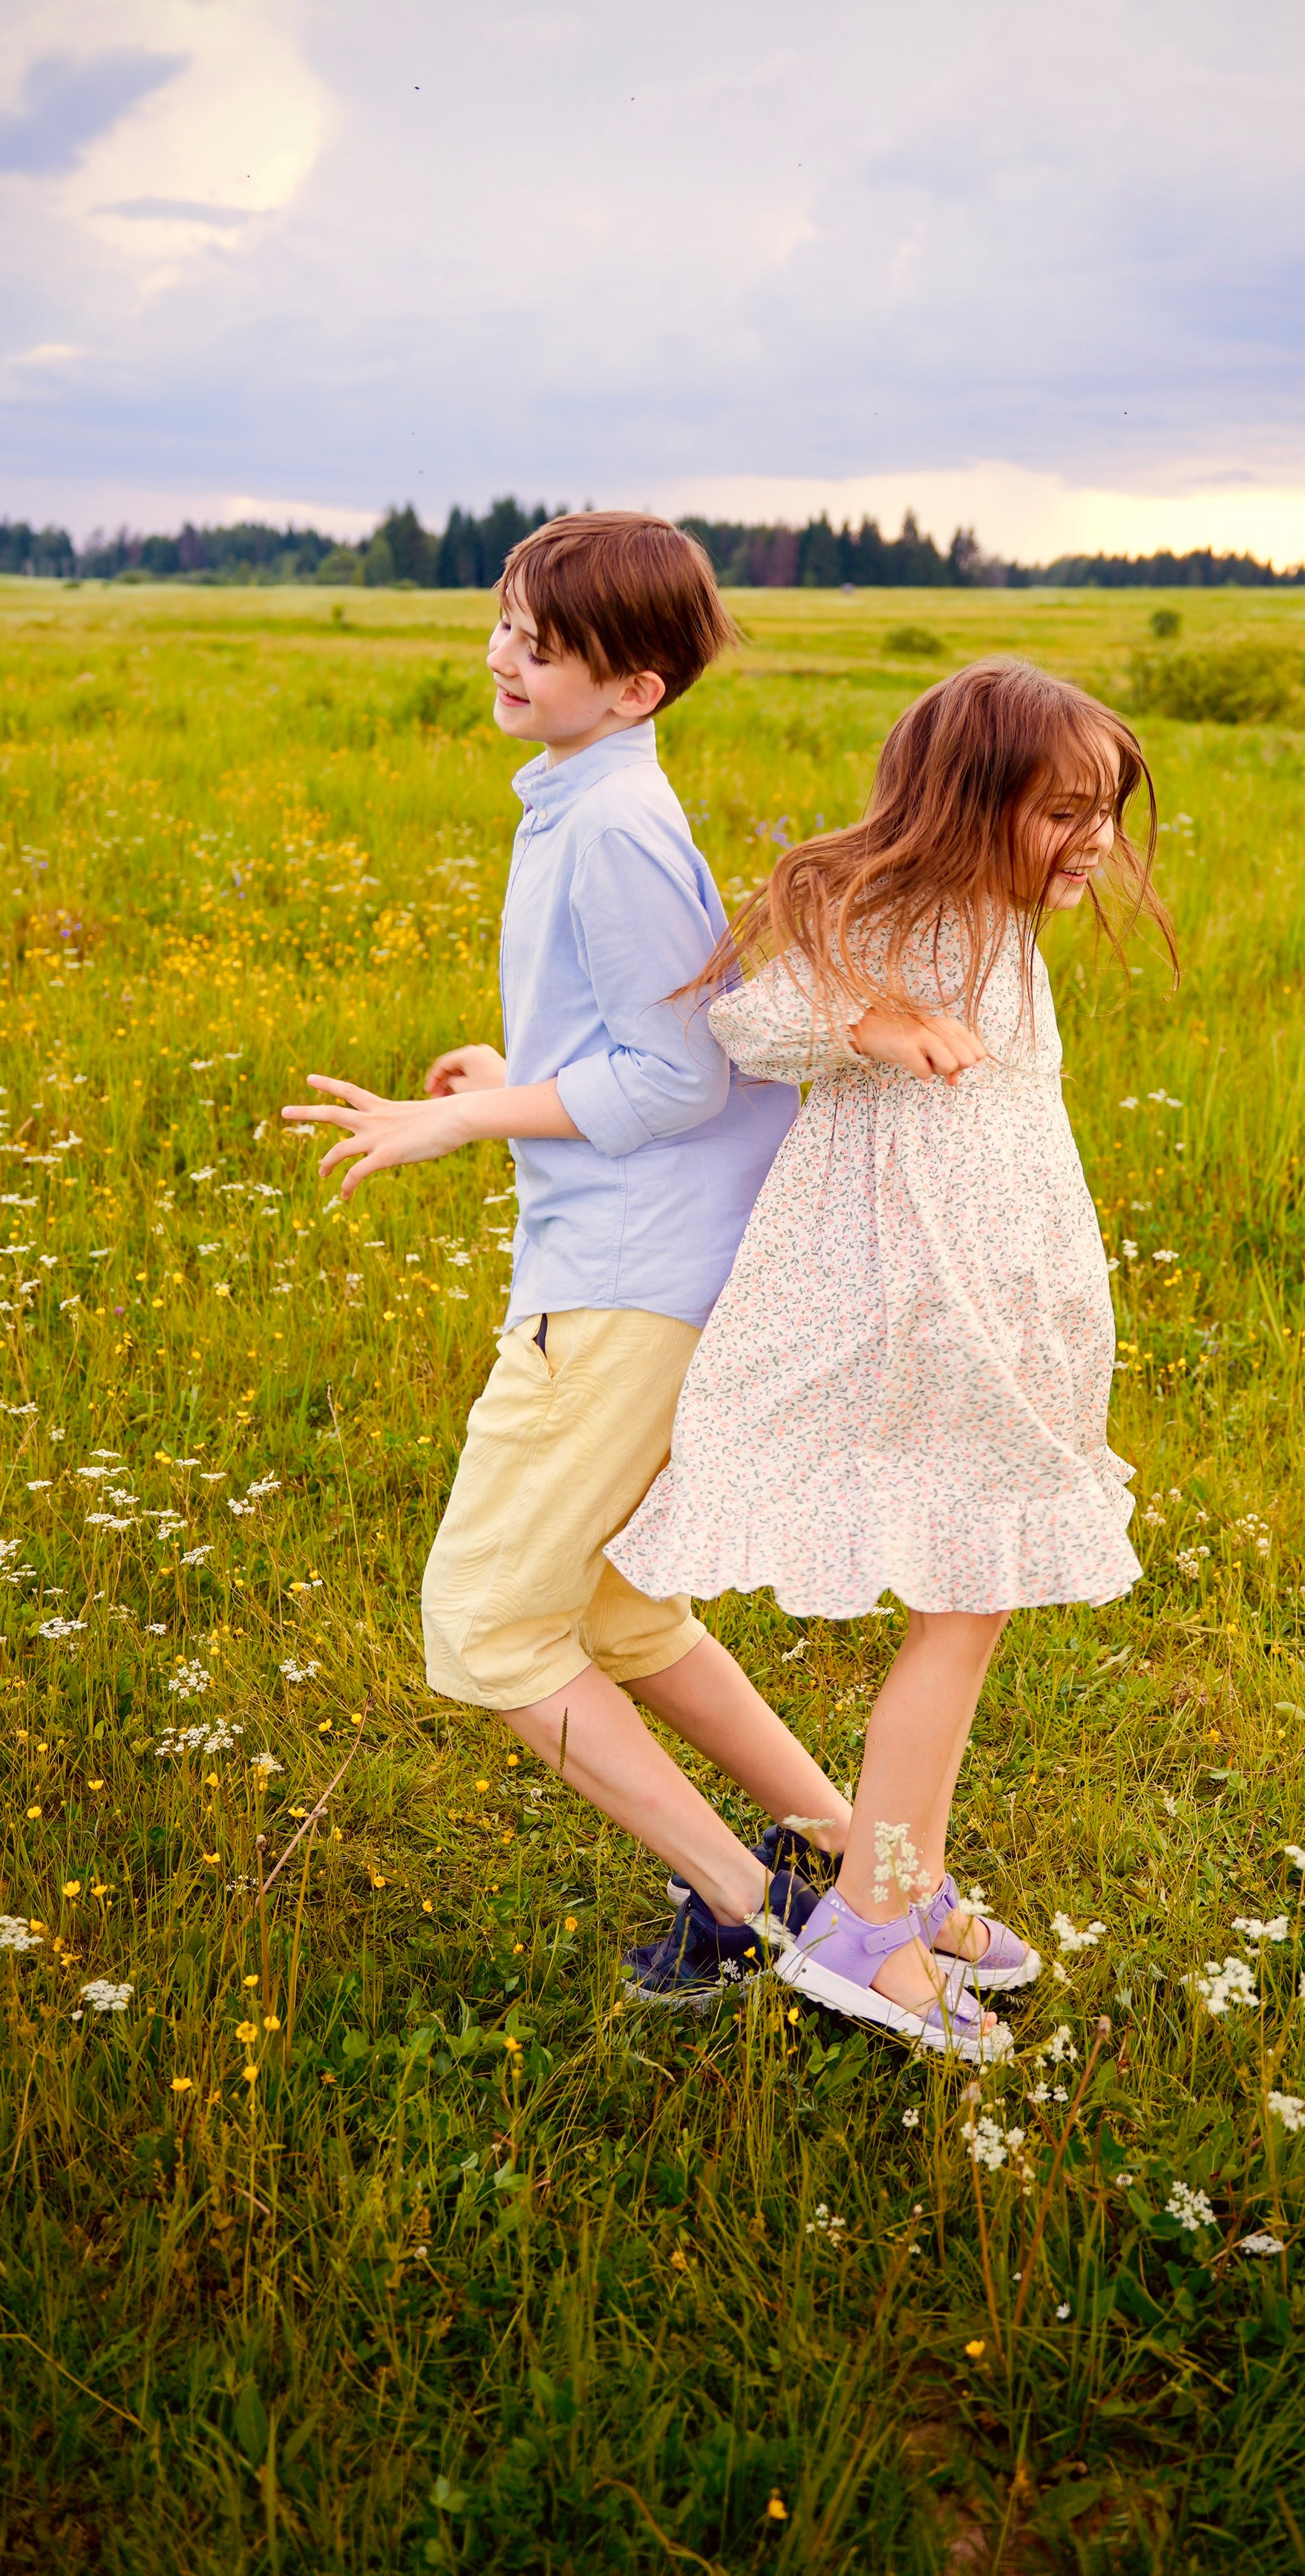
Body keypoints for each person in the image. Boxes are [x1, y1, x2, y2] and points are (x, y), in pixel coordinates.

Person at [281, 510, 853, 1995]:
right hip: (640, 1263)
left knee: (484, 1624)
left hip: (623, 1287)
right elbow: (634, 1042)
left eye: (542, 647)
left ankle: (760, 1911)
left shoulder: (606, 828)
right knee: (611, 1606)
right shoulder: (583, 797)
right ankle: (854, 1858)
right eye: (502, 625)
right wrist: (517, 1072)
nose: (502, 658)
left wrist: (452, 1127)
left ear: (635, 689)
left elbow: (673, 1082)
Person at [608, 658, 1174, 2061]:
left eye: (1103, 811)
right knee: (963, 1608)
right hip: (924, 1318)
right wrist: (879, 1022)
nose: (1093, 840)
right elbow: (754, 1016)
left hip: (993, 1312)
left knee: (965, 1609)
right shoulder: (907, 913)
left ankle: (898, 1890)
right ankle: (874, 1916)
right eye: (1061, 812)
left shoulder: (996, 919)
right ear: (964, 805)